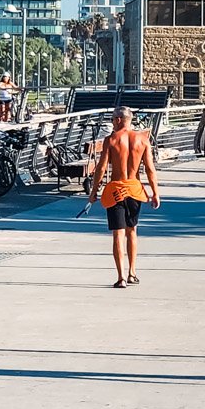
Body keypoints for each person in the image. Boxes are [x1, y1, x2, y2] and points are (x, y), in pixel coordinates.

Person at [88, 106, 161, 288]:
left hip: (116, 190)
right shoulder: (143, 140)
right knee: (132, 231)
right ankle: (132, 273)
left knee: (118, 234)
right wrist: (155, 193)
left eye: (113, 119)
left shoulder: (111, 140)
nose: (112, 123)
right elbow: (150, 169)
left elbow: (101, 168)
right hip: (135, 190)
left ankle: (121, 277)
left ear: (119, 120)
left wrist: (93, 191)